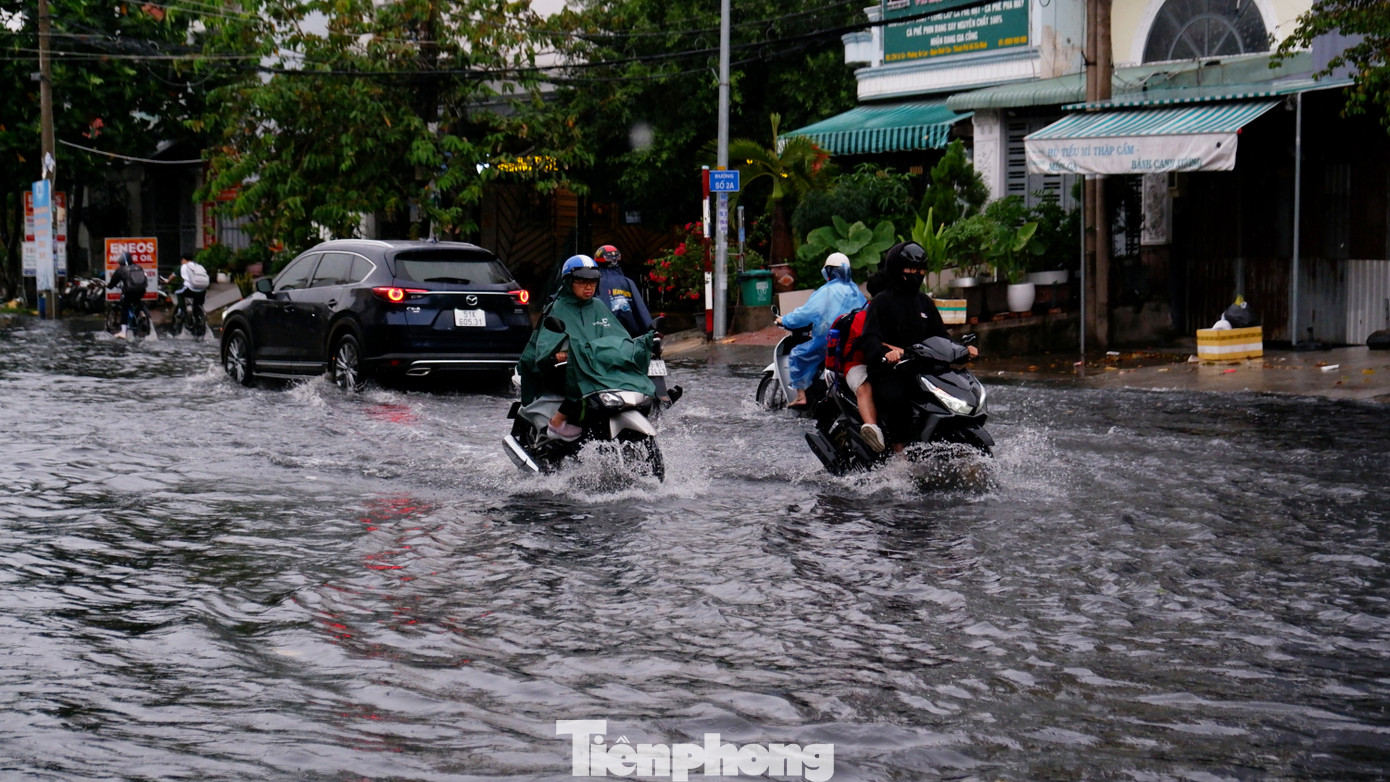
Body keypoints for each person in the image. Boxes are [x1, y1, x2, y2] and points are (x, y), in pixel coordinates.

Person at [517, 255, 657, 442]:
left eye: (592, 281)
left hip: (595, 364)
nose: (588, 287)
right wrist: (558, 354)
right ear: (568, 283)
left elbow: (618, 336)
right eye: (582, 281)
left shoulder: (598, 306)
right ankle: (558, 422)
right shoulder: (558, 307)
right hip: (564, 369)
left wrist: (637, 346)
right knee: (580, 379)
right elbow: (546, 344)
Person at [859, 241, 977, 451]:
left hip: (922, 368)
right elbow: (869, 339)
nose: (917, 273)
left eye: (921, 269)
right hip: (891, 370)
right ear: (896, 269)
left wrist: (962, 350)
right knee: (898, 399)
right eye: (911, 269)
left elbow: (941, 335)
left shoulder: (924, 302)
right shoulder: (881, 302)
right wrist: (887, 353)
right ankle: (900, 453)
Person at [775, 252, 866, 409]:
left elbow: (805, 314)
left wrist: (785, 320)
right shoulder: (855, 291)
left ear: (829, 271)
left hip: (829, 340)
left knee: (798, 354)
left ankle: (801, 396)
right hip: (852, 342)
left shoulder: (826, 291)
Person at [837, 273, 890, 452]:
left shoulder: (897, 312)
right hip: (857, 364)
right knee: (864, 388)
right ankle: (873, 429)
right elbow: (871, 344)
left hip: (885, 364)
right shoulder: (863, 317)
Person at [592, 244, 655, 338]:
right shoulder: (628, 282)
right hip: (630, 339)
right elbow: (642, 312)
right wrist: (652, 333)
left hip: (604, 338)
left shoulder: (594, 283)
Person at [106, 252, 148, 339]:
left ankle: (123, 331)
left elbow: (112, 283)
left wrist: (109, 286)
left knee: (124, 307)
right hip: (141, 291)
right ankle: (141, 314)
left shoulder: (121, 270)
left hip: (129, 292)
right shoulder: (138, 267)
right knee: (136, 302)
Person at [162, 256, 210, 322]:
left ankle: (182, 311)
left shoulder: (182, 266)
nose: (181, 262)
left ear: (184, 260)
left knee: (179, 293)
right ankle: (198, 315)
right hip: (202, 290)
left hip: (190, 289)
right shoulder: (199, 266)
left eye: (182, 261)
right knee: (197, 304)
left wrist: (167, 281)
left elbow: (172, 276)